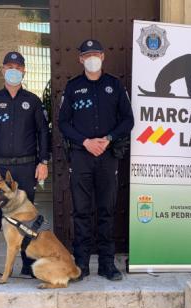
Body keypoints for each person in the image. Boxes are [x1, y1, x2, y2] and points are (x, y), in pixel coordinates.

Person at [58, 39, 134, 281]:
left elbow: (128, 120)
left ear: (103, 56)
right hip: (81, 157)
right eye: (86, 55)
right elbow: (63, 123)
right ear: (80, 59)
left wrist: (109, 139)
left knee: (106, 211)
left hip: (108, 156)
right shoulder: (72, 87)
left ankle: (107, 265)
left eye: (95, 54)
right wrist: (85, 142)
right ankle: (81, 264)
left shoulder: (115, 85)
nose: (91, 58)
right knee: (81, 212)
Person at [0, 51, 50, 282]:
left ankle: (27, 265)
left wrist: (43, 162)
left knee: (26, 218)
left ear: (24, 71)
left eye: (18, 66)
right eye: (9, 66)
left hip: (25, 168)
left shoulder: (33, 101)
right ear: (3, 70)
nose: (13, 70)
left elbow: (43, 132)